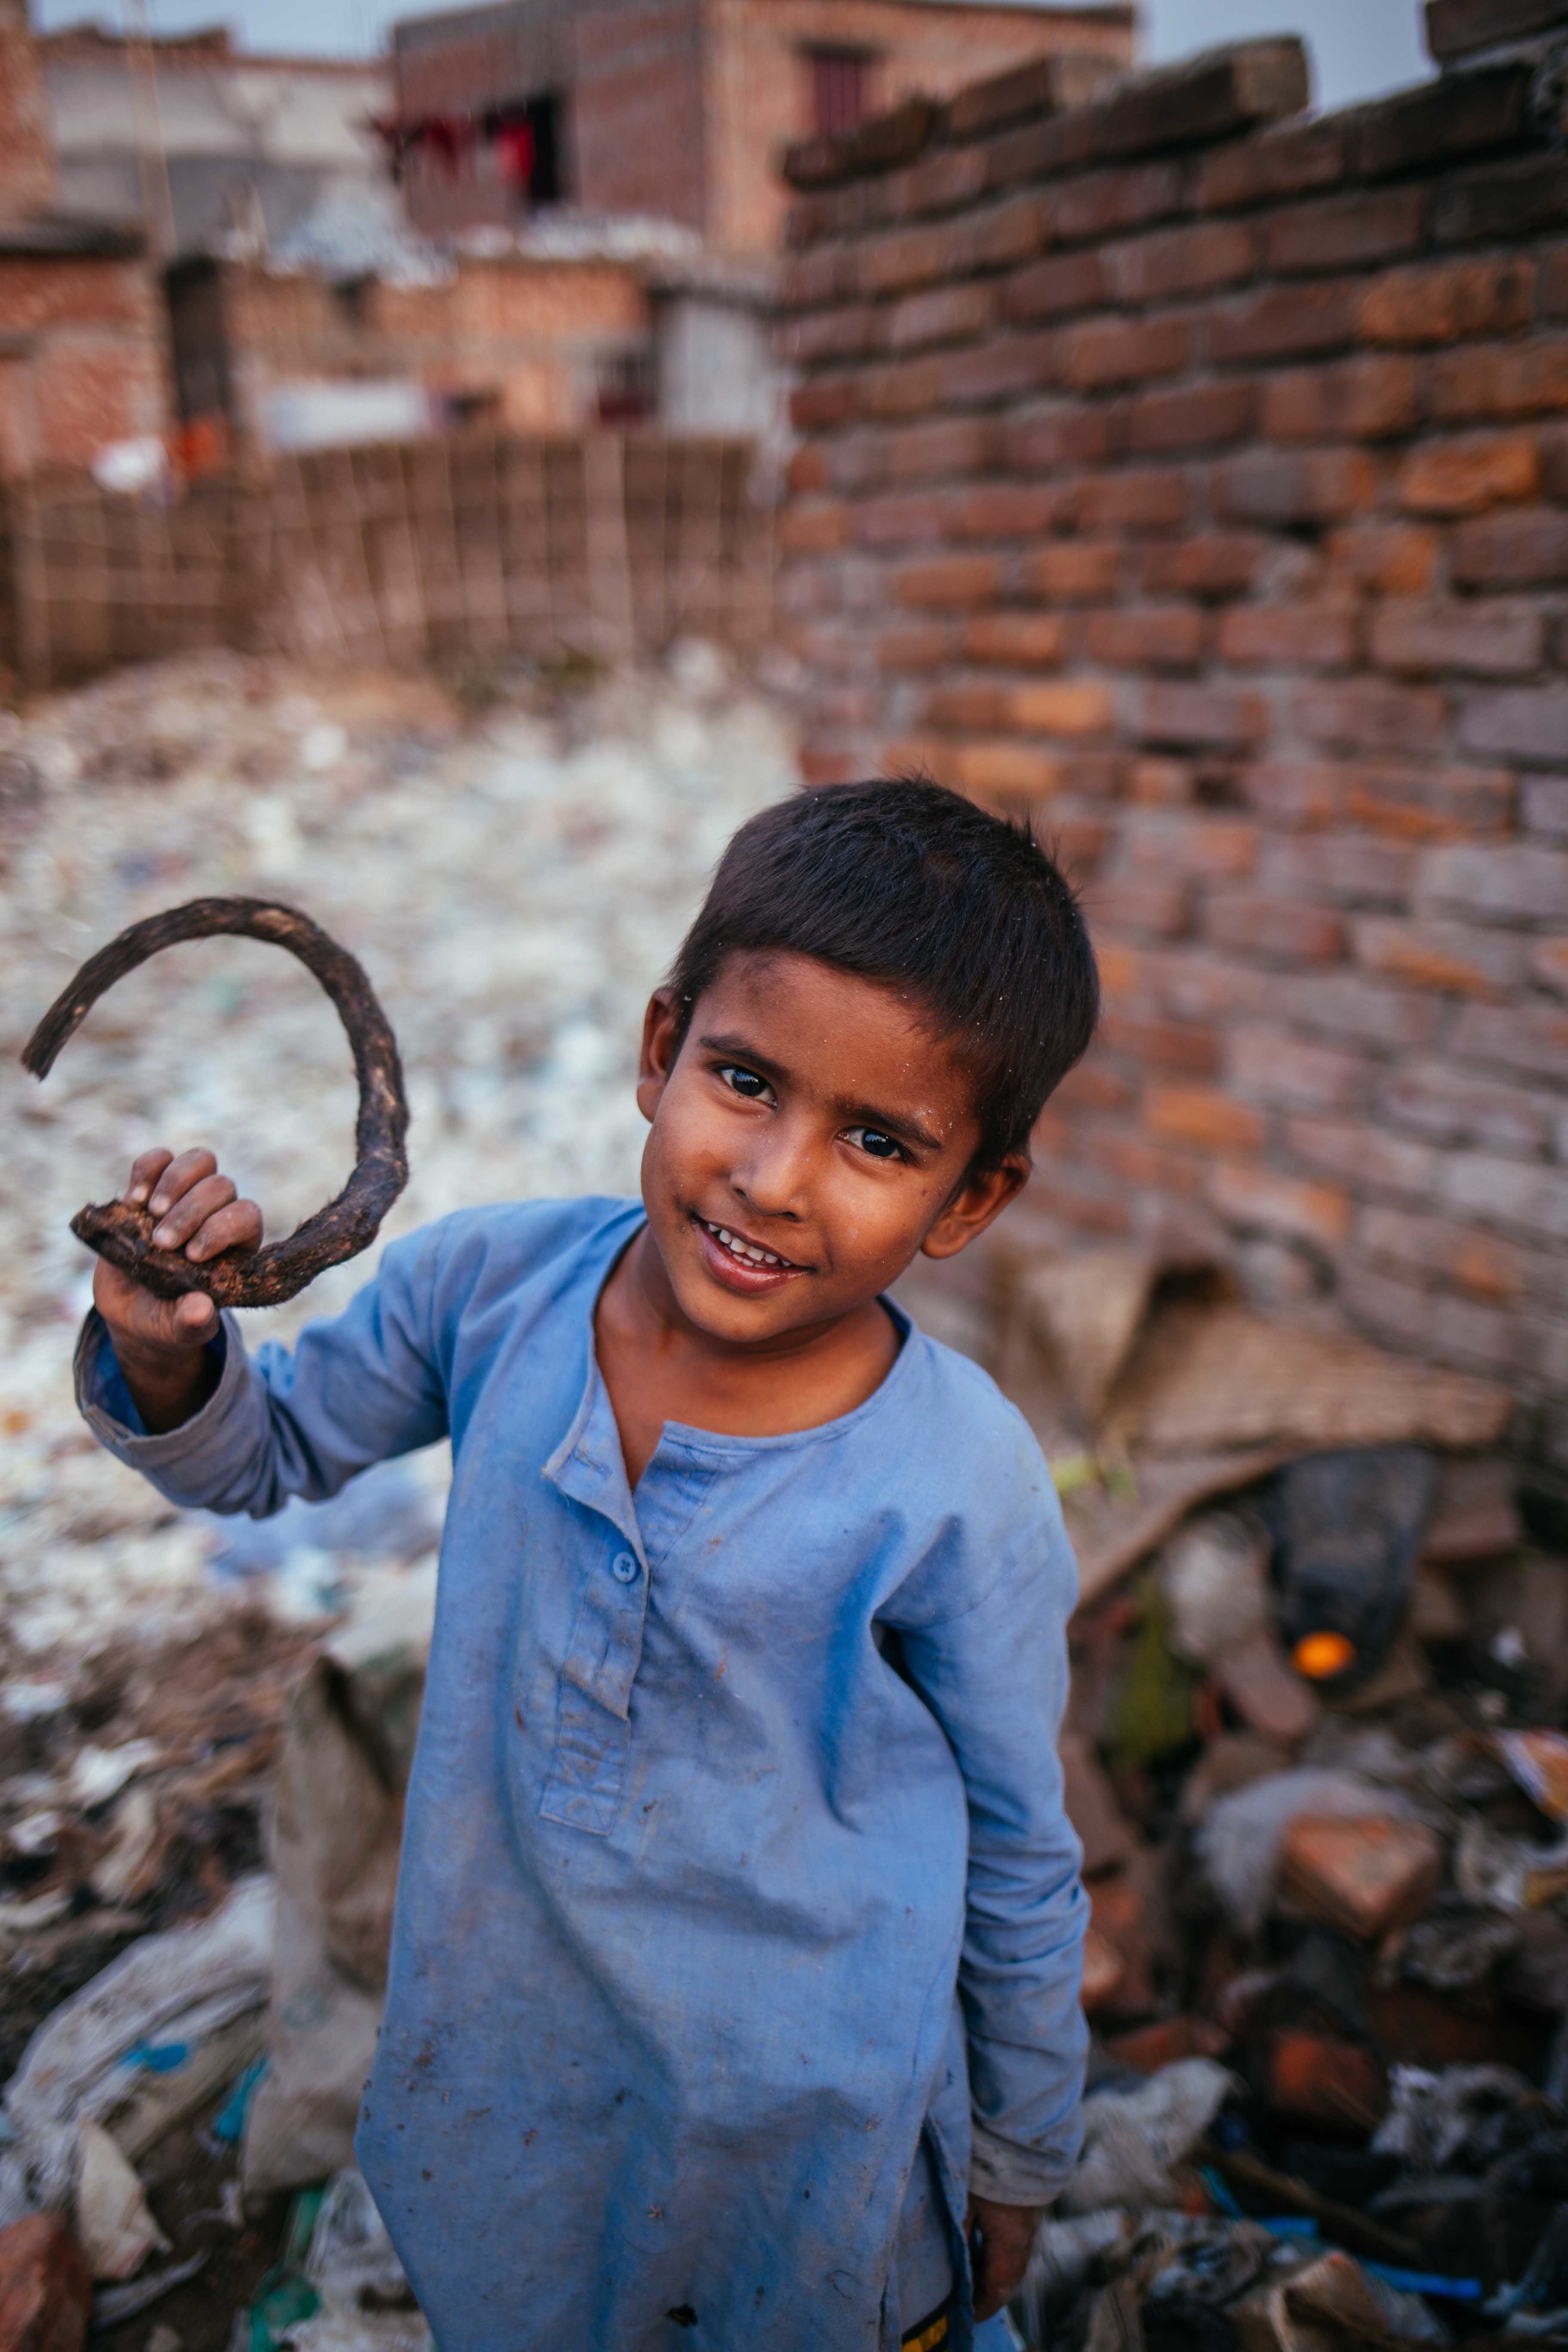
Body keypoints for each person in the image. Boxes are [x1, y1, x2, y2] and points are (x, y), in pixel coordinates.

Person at [76, 777, 1097, 2352]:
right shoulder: (489, 1290)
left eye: (876, 1142)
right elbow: (263, 1456)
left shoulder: (956, 1484)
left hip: (804, 2127)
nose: (772, 1175)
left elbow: (1021, 1853)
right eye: (745, 1081)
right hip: (510, 2067)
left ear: (969, 1200)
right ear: (657, 1048)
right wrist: (168, 1344)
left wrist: (1021, 2148)